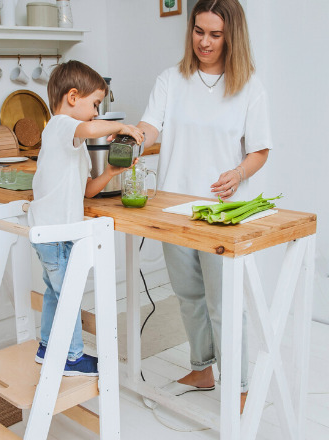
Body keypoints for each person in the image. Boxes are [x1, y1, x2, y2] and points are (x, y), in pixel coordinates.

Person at [138, 0, 272, 412]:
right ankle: (202, 369)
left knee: (224, 302)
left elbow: (260, 150)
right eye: (199, 31)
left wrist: (238, 172)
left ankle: (242, 383)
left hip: (221, 213)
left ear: (232, 34)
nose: (205, 41)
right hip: (173, 206)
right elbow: (149, 126)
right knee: (188, 294)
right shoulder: (170, 80)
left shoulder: (249, 85)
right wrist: (129, 138)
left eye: (215, 34)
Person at [28, 60, 144, 376]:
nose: (96, 112)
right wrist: (121, 126)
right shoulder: (60, 125)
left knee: (56, 292)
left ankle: (47, 347)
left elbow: (88, 192)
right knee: (70, 293)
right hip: (54, 234)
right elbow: (92, 128)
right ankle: (73, 358)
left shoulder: (72, 143)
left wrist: (110, 172)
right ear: (72, 96)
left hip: (54, 233)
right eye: (95, 104)